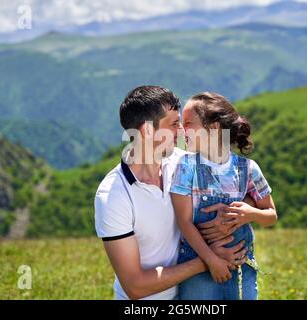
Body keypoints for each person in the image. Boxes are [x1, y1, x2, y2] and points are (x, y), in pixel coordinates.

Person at [94, 86, 249, 300]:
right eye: (174, 124)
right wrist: (208, 260)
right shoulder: (113, 196)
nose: (182, 132)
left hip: (193, 295)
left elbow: (238, 185)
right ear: (147, 131)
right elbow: (135, 287)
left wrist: (235, 213)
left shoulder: (183, 163)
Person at [170, 92, 278, 300]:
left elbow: (271, 215)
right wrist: (212, 261)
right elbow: (184, 222)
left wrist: (250, 213)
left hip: (242, 268)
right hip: (199, 268)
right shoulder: (186, 167)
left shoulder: (248, 169)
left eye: (189, 123)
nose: (183, 130)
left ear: (213, 128)